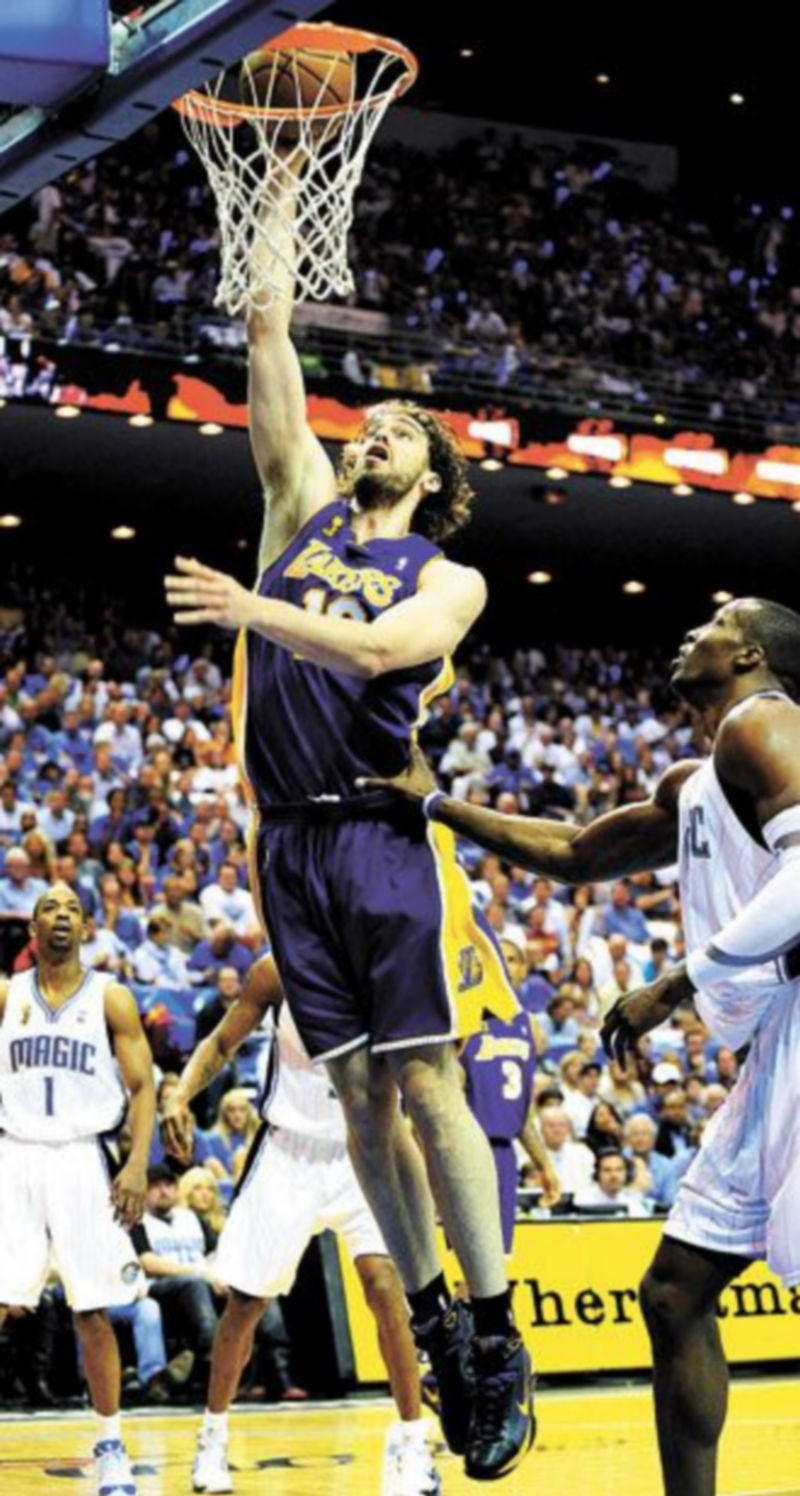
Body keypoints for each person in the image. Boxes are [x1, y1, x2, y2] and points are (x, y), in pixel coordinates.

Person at [163, 167, 534, 1481]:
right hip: (290, 848)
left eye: (394, 430)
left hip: (378, 836)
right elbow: (268, 329)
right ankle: (430, 1316)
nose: (369, 431)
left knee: (426, 1078)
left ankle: (493, 1334)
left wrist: (253, 613)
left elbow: (382, 656)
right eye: (365, 420)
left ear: (433, 476)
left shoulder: (451, 573)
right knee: (363, 1094)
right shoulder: (297, 506)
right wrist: (274, 176)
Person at [365, 596, 800, 1496]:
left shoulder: (768, 724)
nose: (692, 633)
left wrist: (677, 983)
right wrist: (438, 804)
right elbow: (571, 851)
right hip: (773, 1052)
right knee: (675, 1292)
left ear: (751, 653)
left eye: (712, 624)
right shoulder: (698, 781)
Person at [162, 954, 440, 1496]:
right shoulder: (277, 968)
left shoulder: (391, 960)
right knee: (247, 1303)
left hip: (370, 1146)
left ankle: (411, 1441)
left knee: (387, 1290)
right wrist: (180, 1094)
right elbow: (221, 1043)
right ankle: (213, 1435)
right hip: (288, 1149)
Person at [0, 881, 156, 1496]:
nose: (61, 915)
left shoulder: (110, 999)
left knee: (91, 1309)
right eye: (49, 907)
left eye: (72, 908)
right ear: (32, 929)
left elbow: (142, 1088)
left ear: (86, 928)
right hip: (14, 1152)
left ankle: (110, 1443)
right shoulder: (7, 997)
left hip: (83, 1158)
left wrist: (138, 1163)